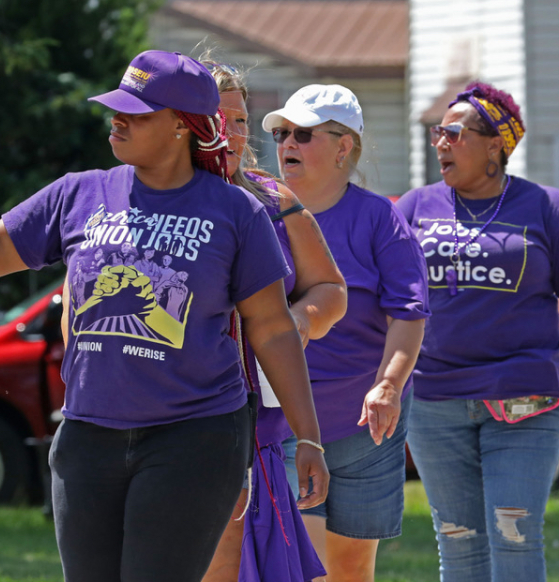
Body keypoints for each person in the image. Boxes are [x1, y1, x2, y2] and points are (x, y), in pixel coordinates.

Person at [0, 50, 330, 582]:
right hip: (87, 437)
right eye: (116, 108)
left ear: (181, 127)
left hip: (194, 437)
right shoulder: (79, 193)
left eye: (136, 113)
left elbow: (271, 329)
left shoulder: (236, 211)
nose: (117, 119)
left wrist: (307, 436)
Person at [397, 81, 559, 582]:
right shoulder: (413, 208)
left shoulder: (549, 208)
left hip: (524, 398)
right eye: (438, 133)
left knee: (514, 538)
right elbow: (388, 302)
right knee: (458, 543)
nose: (441, 143)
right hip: (435, 400)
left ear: (495, 142)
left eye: (453, 132)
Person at [262, 84, 430, 582]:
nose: (287, 143)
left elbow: (409, 312)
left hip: (365, 428)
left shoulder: (380, 218)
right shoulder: (256, 214)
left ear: (344, 147)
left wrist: (388, 386)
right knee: (305, 567)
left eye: (303, 134)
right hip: (284, 425)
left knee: (352, 570)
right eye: (282, 133)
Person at [199, 59, 347, 582]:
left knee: (256, 564)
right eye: (219, 118)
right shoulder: (150, 201)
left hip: (265, 426)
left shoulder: (273, 199)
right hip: (177, 420)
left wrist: (299, 321)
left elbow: (331, 290)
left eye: (241, 120)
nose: (233, 133)